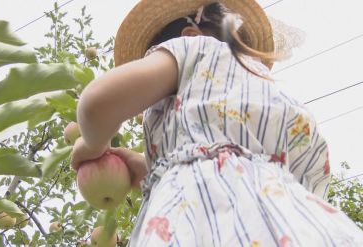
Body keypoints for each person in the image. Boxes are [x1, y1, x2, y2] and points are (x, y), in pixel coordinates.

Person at [71, 0, 363, 246]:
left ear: (188, 36)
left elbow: (97, 104)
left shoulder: (196, 51)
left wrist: (93, 143)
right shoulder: (279, 104)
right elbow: (239, 163)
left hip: (196, 221)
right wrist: (151, 170)